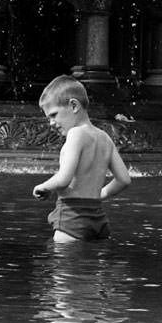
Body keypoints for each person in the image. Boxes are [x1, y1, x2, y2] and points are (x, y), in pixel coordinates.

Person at [32, 75, 131, 243]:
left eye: (54, 114)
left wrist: (43, 187)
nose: (51, 123)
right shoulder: (105, 138)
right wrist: (99, 194)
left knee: (62, 266)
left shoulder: (76, 134)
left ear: (73, 105)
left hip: (72, 219)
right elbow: (124, 180)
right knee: (90, 268)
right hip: (99, 220)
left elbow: (64, 179)